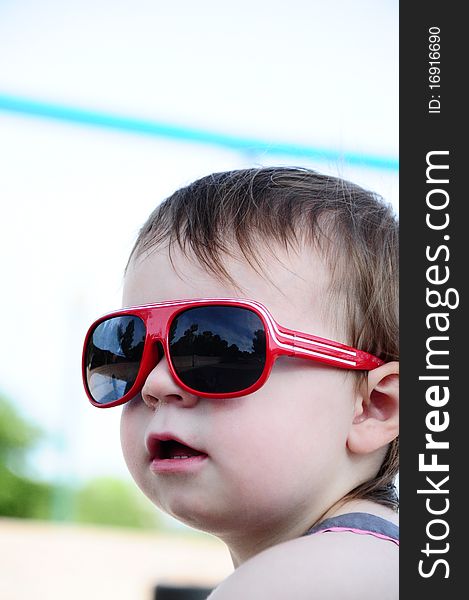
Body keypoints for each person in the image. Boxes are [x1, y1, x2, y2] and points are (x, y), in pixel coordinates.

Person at [82, 167, 399, 598]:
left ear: (374, 406)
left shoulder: (310, 580)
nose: (155, 383)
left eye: (223, 348)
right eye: (128, 351)